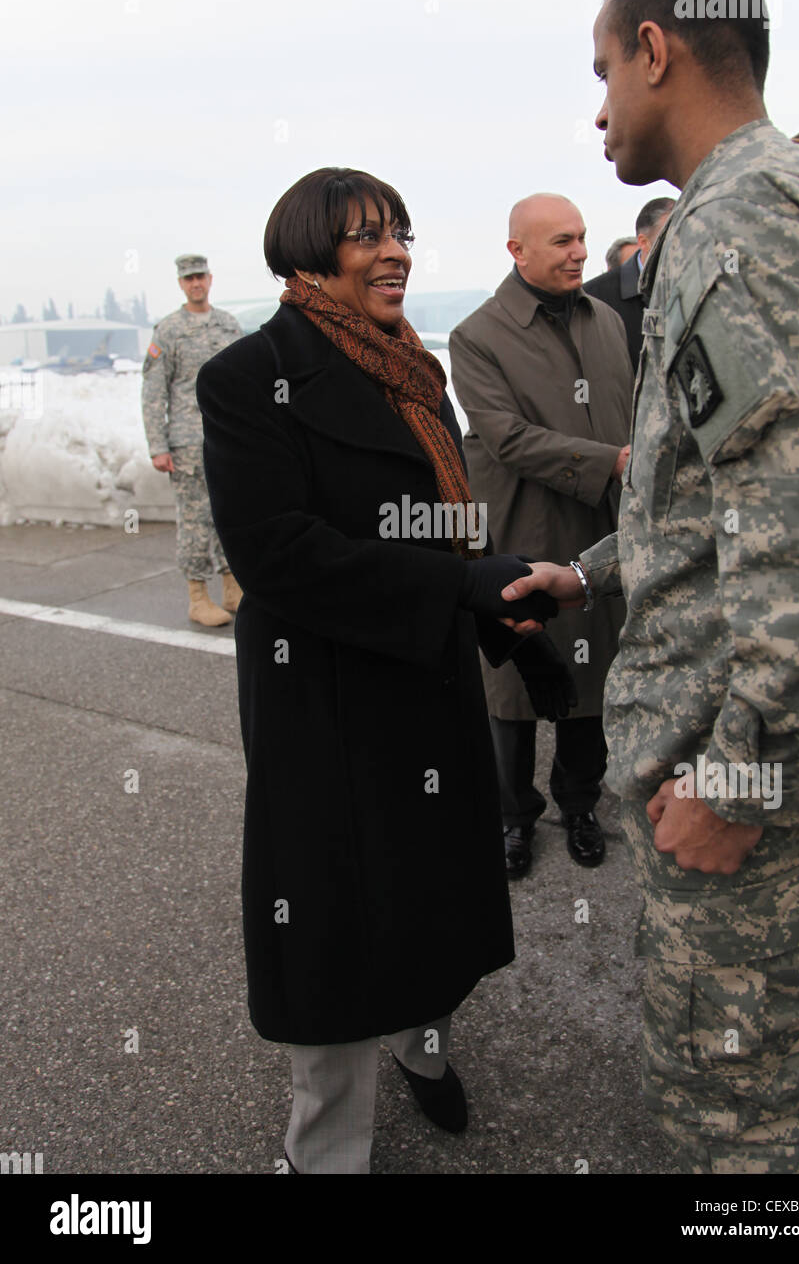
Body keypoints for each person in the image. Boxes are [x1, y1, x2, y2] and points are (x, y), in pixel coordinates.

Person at [501, 0, 799, 1173]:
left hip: (747, 781)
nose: (597, 108)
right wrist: (588, 571)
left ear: (654, 50)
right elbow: (727, 495)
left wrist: (733, 779)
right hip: (774, 757)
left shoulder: (734, 224)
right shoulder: (791, 197)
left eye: (602, 69)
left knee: (738, 1126)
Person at [195, 167, 566, 1175]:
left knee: (432, 895)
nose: (395, 250)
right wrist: (458, 590)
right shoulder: (245, 378)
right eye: (366, 235)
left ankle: (422, 1043)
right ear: (308, 251)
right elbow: (276, 556)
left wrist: (496, 612)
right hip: (324, 696)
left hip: (428, 678)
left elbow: (449, 527)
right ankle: (324, 1148)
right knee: (330, 921)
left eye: (400, 231)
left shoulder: (414, 368)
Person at [450, 194, 633, 878]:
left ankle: (580, 805)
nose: (579, 252)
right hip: (522, 535)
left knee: (591, 684)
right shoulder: (478, 336)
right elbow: (507, 437)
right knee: (514, 690)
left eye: (582, 238)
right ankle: (513, 817)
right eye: (561, 241)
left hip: (601, 531)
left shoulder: (608, 322)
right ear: (516, 251)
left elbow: (634, 409)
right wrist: (612, 461)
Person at [141, 255, 243, 626]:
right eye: (189, 279)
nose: (195, 283)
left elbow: (244, 382)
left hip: (226, 439)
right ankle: (197, 595)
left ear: (210, 279)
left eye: (200, 276)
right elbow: (154, 391)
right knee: (195, 518)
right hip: (186, 443)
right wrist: (158, 445)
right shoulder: (168, 331)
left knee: (229, 511)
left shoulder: (228, 326)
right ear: (181, 284)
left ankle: (232, 588)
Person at [584, 198, 675, 372]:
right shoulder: (594, 297)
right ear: (643, 242)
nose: (682, 246)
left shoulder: (700, 287)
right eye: (672, 237)